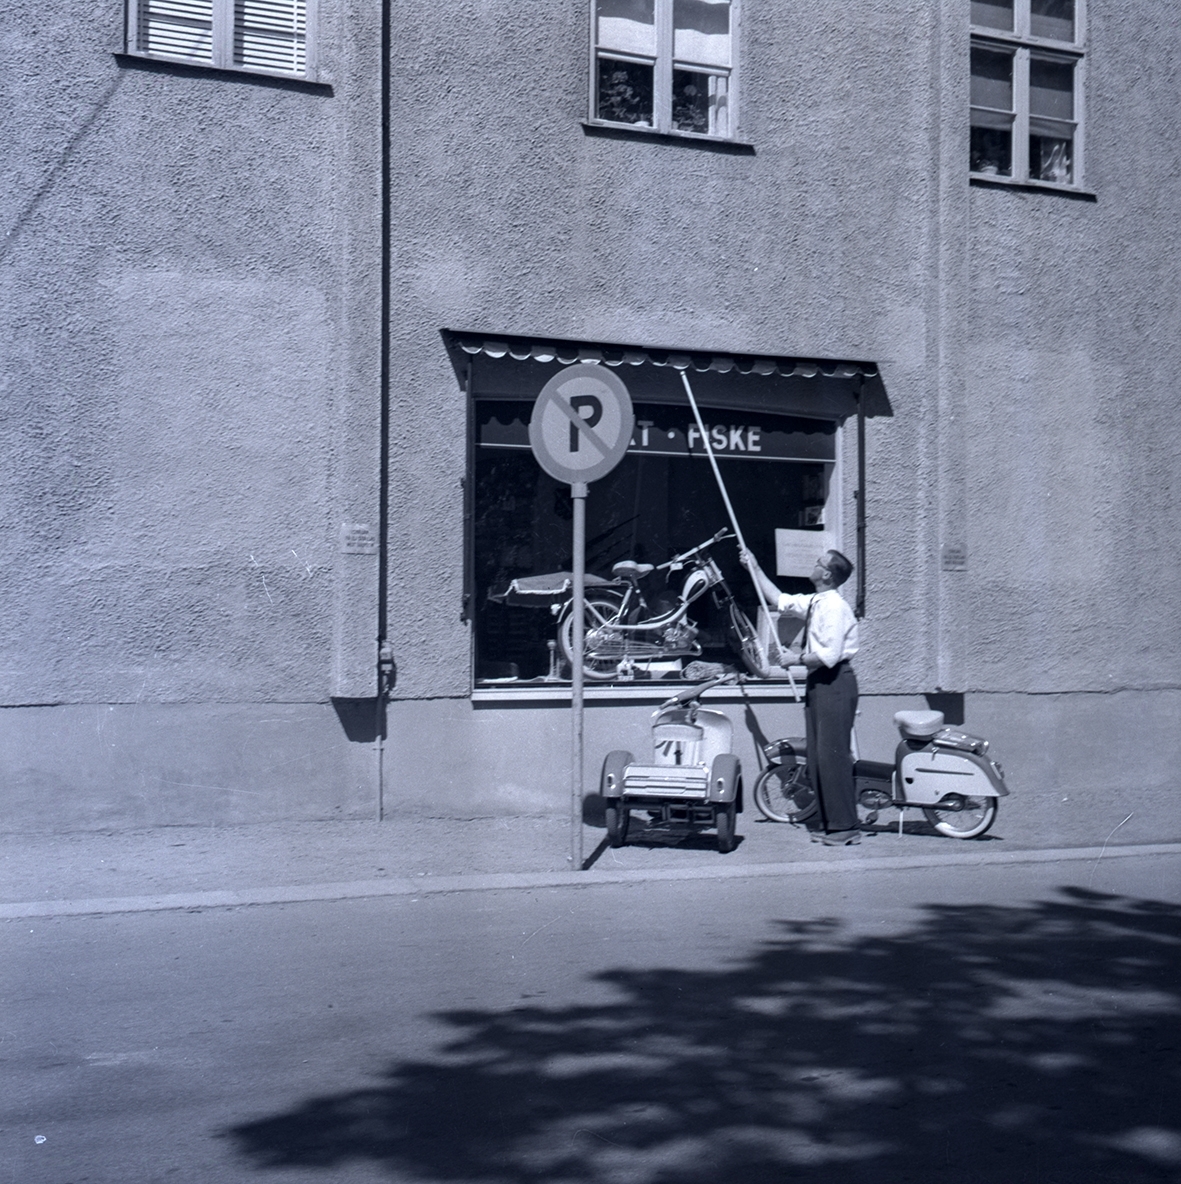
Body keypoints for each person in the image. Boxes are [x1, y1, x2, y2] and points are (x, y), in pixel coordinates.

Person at [741, 547, 862, 846]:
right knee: (819, 756)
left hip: (835, 682)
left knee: (833, 756)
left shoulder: (834, 607)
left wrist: (794, 659)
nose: (814, 564)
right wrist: (754, 567)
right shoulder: (817, 601)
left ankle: (846, 826)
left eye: (819, 562)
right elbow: (779, 599)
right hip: (820, 682)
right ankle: (831, 823)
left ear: (827, 574)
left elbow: (829, 655)